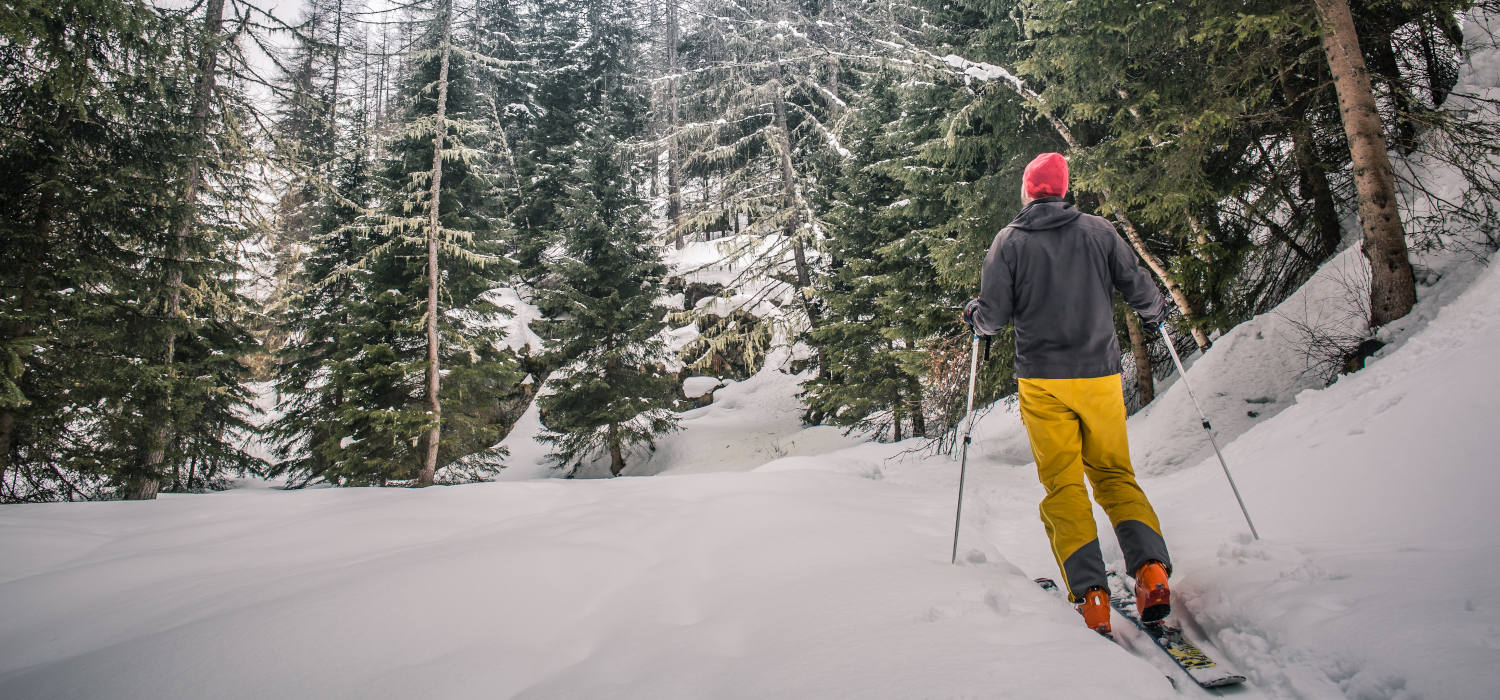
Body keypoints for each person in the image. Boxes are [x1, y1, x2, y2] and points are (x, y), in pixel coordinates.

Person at [962, 152, 1174, 636]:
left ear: (1028, 190)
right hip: (1099, 375)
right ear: (1063, 189)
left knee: (1063, 483)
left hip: (1043, 381)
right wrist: (1157, 310)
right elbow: (1138, 287)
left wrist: (975, 315)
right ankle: (1151, 571)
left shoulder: (1009, 242)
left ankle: (1093, 597)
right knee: (1115, 473)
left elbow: (992, 317)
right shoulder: (1099, 232)